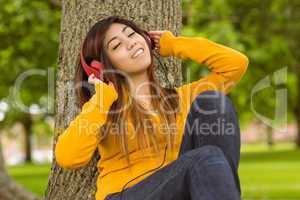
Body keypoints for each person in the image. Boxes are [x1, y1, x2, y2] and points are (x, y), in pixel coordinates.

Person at [55, 15, 249, 200]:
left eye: (131, 34)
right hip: (125, 195)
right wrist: (102, 99)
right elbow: (68, 157)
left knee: (215, 102)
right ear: (102, 68)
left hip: (177, 190)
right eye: (116, 45)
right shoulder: (103, 109)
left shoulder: (182, 98)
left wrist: (173, 44)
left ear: (146, 40)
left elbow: (235, 65)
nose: (130, 43)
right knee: (206, 157)